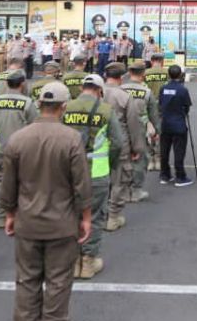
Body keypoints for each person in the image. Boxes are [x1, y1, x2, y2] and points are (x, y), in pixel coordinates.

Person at [0, 81, 92, 321]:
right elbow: (81, 184)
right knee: (58, 280)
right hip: (61, 222)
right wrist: (86, 217)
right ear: (63, 107)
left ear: (39, 105)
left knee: (27, 279)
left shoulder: (18, 138)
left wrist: (10, 213)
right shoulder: (71, 138)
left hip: (27, 220)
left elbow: (8, 185)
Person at [63, 74, 121, 278]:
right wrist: (110, 164)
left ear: (81, 87)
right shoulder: (105, 110)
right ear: (100, 90)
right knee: (95, 217)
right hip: (97, 172)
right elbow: (117, 142)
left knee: (70, 216)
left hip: (68, 172)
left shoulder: (66, 107)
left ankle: (71, 262)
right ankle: (88, 262)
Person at [0, 70, 37, 229]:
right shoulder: (27, 103)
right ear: (22, 84)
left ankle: (2, 216)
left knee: (3, 183)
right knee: (24, 184)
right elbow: (35, 128)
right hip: (23, 151)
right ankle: (20, 216)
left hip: (2, 148)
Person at [102, 62, 140, 231]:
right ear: (121, 78)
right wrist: (136, 148)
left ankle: (99, 214)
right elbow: (133, 124)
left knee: (99, 180)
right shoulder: (124, 96)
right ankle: (113, 216)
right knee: (118, 181)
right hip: (120, 142)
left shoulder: (96, 93)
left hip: (97, 143)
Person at [120, 62, 155, 202]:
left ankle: (124, 190)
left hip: (122, 127)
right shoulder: (146, 91)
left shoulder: (120, 89)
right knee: (141, 158)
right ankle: (136, 190)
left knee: (123, 158)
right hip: (140, 126)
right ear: (143, 74)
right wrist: (156, 130)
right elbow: (153, 113)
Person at [157, 65, 193, 187]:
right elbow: (187, 106)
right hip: (178, 124)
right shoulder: (183, 90)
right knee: (179, 151)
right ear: (180, 75)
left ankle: (165, 175)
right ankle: (180, 176)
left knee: (164, 150)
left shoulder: (163, 88)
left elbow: (160, 104)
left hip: (166, 123)